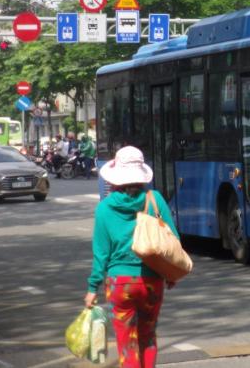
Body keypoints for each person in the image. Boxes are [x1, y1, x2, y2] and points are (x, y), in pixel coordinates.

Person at [84, 146, 179, 368]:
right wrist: (171, 273)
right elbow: (172, 239)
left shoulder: (105, 208)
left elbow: (101, 254)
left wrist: (92, 289)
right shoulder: (154, 199)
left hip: (120, 283)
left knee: (127, 342)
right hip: (152, 281)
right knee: (148, 335)